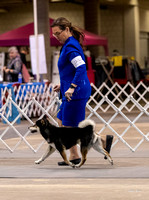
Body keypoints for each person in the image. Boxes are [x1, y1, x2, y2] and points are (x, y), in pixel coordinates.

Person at [51, 17, 113, 166]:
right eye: (54, 34)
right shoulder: (67, 45)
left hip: (76, 92)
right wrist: (64, 84)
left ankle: (101, 141)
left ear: (67, 29)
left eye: (58, 33)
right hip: (71, 89)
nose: (56, 37)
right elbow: (70, 69)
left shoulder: (71, 47)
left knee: (71, 126)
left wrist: (71, 87)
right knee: (62, 121)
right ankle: (75, 154)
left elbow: (81, 68)